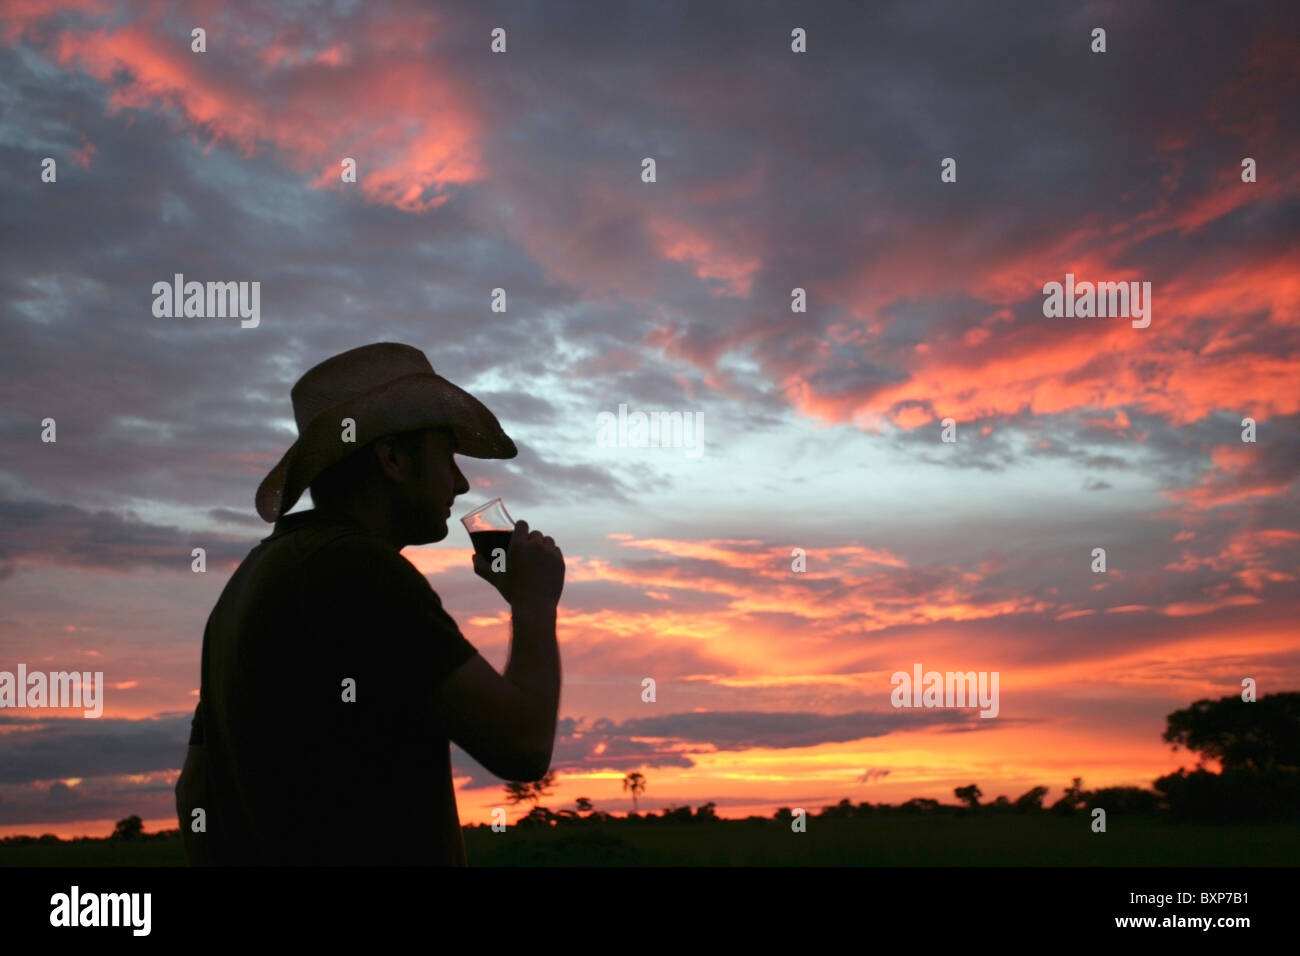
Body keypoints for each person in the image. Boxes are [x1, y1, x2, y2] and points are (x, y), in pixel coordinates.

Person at [175, 342, 563, 865]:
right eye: (447, 455)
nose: (462, 481)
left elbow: (193, 793)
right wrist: (534, 602)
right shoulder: (361, 572)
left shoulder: (251, 580)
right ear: (393, 458)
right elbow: (523, 747)